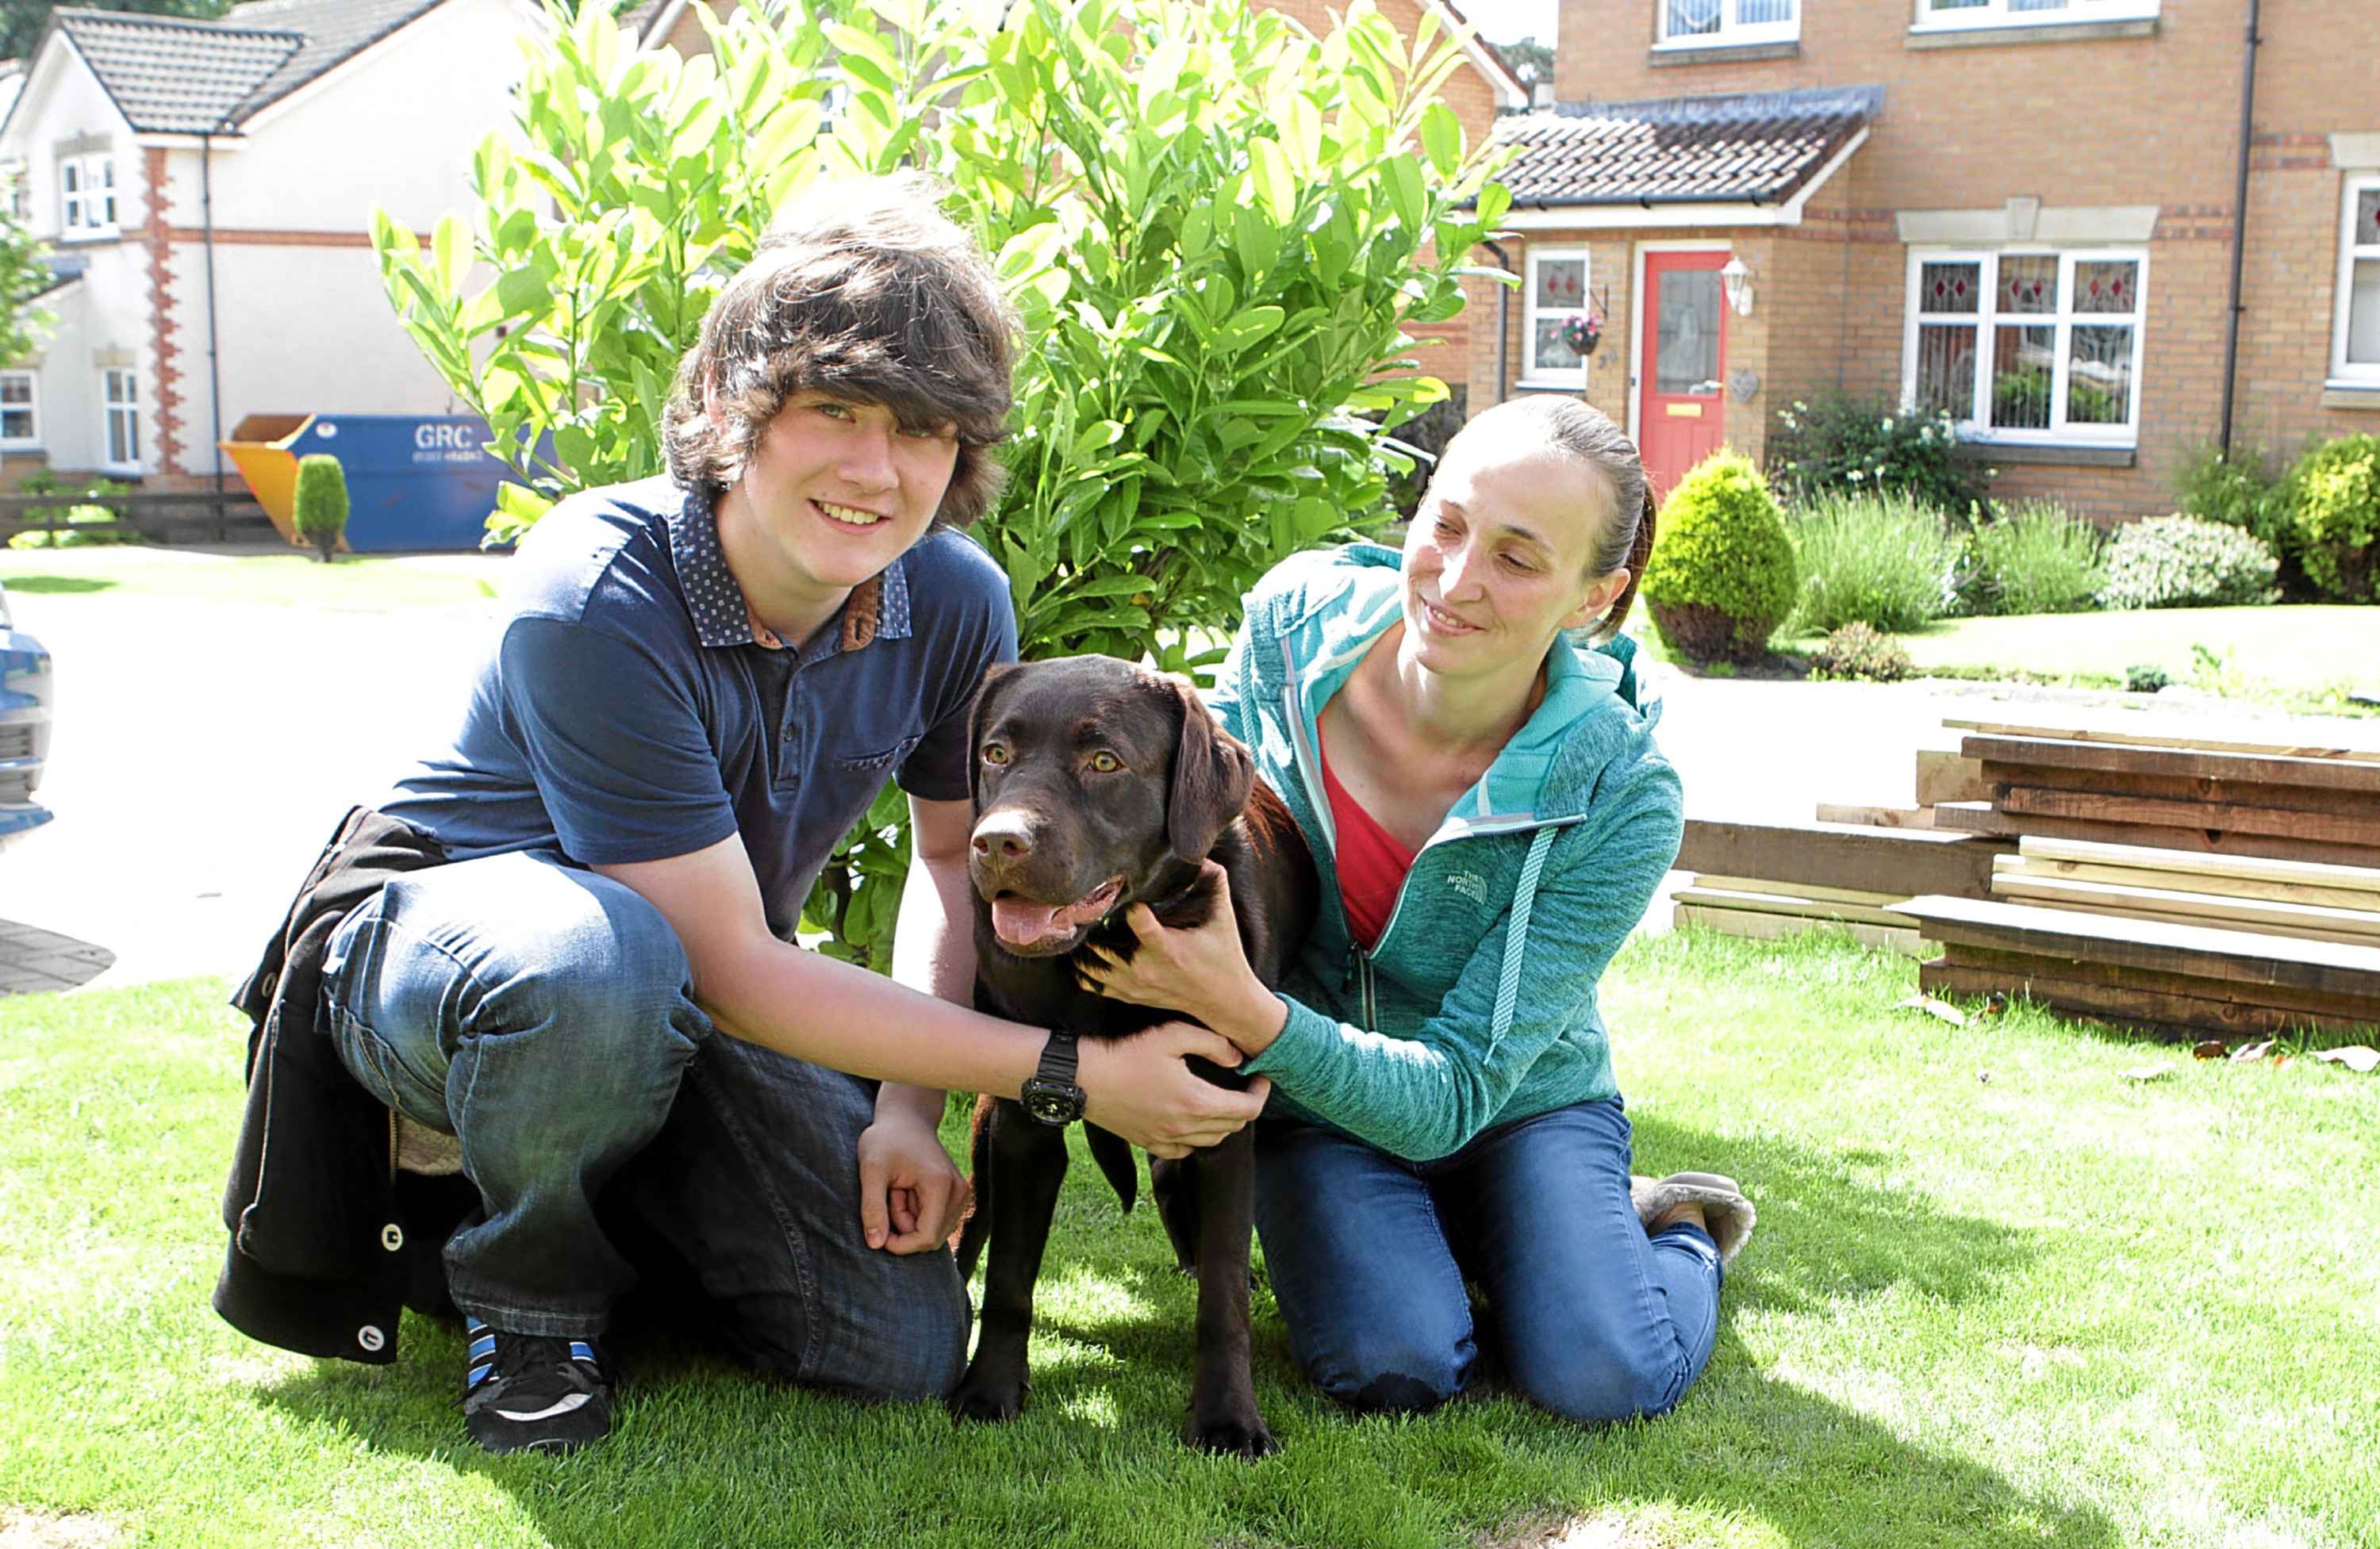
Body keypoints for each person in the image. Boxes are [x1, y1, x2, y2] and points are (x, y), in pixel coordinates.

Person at [214, 175, 1265, 1455]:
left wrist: (904, 1107)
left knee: (895, 1345)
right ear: (726, 393)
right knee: (597, 960)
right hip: (450, 955)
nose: (877, 470)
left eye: (925, 430)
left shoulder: (952, 602)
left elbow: (949, 858)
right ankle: (522, 1293)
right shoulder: (596, 589)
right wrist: (1076, 1076)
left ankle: (607, 1199)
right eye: (834, 409)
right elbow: (722, 960)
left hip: (684, 985)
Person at [1083, 395, 1756, 1424]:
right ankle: (1472, 1240)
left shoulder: (1620, 786)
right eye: (1445, 524)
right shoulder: (1290, 631)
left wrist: (1249, 1013)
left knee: (1604, 1372)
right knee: (1395, 1365)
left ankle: (1672, 1232)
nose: (1457, 579)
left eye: (1520, 560)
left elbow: (1455, 1094)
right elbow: (1205, 830)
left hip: (1512, 1098)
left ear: (1594, 596)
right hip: (1315, 1105)